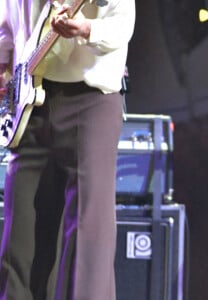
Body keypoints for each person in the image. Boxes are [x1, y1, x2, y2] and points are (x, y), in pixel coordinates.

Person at [0, 0, 135, 299]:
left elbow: (122, 24)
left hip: (90, 99)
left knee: (88, 235)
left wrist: (88, 28)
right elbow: (8, 24)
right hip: (28, 100)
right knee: (21, 234)